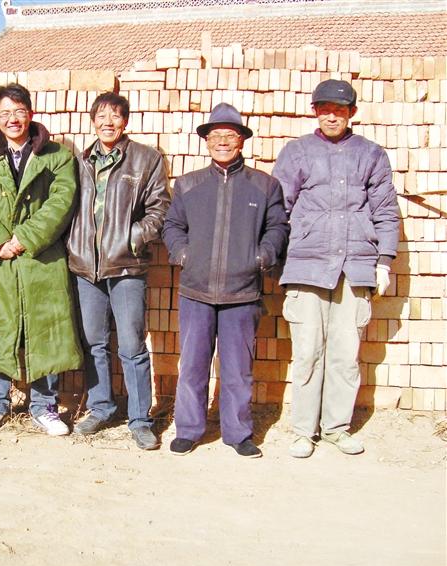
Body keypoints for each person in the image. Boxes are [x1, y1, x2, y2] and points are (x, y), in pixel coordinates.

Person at [272, 79, 400, 458]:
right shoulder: (297, 152)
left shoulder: (371, 155)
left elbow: (385, 210)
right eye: (325, 109)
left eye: (339, 110)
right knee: (308, 352)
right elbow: (279, 210)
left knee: (345, 355)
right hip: (307, 267)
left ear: (351, 113)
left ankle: (336, 429)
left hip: (355, 268)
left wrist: (384, 261)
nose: (332, 116)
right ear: (315, 112)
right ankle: (303, 431)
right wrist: (277, 259)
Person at [162, 103, 289, 457]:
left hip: (242, 293)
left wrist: (262, 256)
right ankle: (189, 429)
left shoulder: (264, 186)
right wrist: (183, 255)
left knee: (237, 370)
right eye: (215, 135)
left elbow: (278, 227)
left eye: (229, 136)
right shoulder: (188, 185)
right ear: (206, 141)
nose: (222, 142)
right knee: (193, 366)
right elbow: (172, 226)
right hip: (196, 291)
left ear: (241, 141)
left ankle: (238, 433)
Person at [0, 83, 82, 436]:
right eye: (5, 113)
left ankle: (44, 407)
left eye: (19, 111)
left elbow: (61, 201)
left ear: (30, 114)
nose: (13, 119)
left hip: (41, 259)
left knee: (46, 329)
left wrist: (25, 238)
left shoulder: (57, 156)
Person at [67, 91, 170, 450]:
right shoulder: (80, 161)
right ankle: (101, 407)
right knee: (94, 342)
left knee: (131, 345)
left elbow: (160, 208)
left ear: (125, 121)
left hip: (126, 266)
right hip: (86, 268)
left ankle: (140, 420)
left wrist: (132, 238)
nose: (108, 122)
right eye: (101, 116)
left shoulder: (145, 158)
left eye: (115, 116)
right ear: (92, 121)